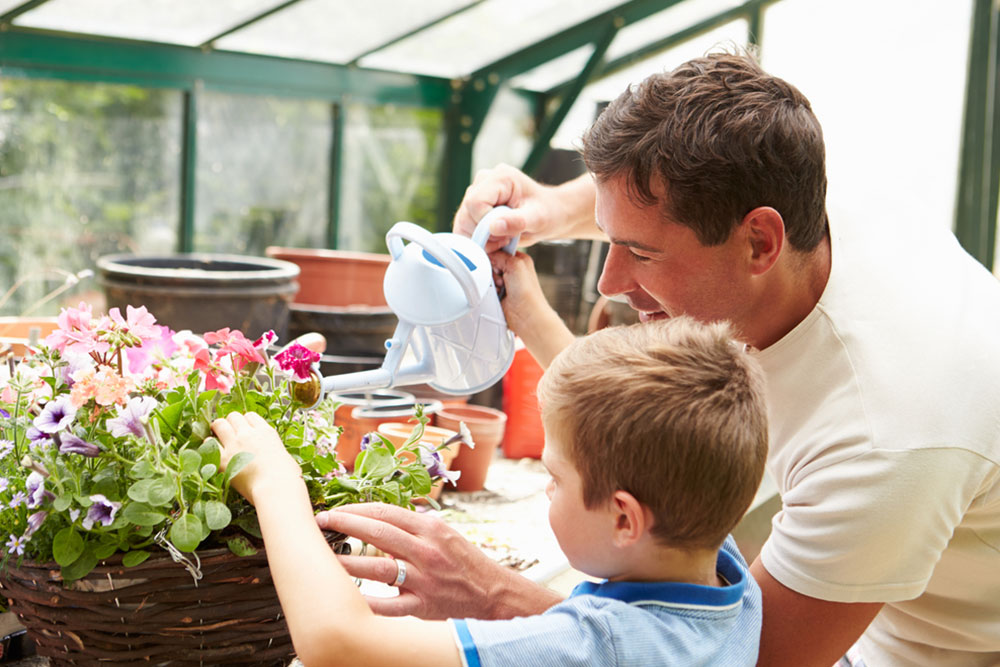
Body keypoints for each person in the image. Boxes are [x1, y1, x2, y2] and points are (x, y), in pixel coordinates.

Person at [331, 51, 1000, 667]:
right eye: (611, 238)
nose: (608, 283)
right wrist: (547, 209)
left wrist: (497, 597)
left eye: (641, 255)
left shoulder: (884, 434)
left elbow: (729, 656)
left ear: (759, 242)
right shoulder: (797, 183)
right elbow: (661, 205)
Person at [211, 317, 769, 666]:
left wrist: (277, 485)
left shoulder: (594, 646)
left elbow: (337, 644)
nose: (545, 487)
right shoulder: (732, 584)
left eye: (554, 478)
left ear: (625, 519)